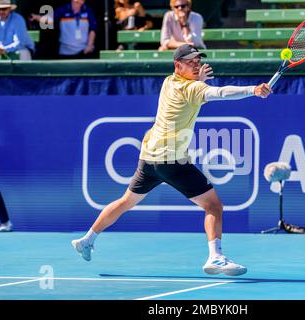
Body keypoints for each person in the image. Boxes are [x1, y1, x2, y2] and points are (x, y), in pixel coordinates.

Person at [71, 44, 271, 276]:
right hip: (170, 160)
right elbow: (220, 93)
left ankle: (87, 239)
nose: (196, 65)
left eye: (198, 61)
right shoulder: (193, 89)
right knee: (213, 205)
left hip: (149, 157)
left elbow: (196, 90)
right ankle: (215, 258)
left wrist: (199, 80)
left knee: (126, 201)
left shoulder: (169, 81)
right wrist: (253, 90)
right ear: (178, 65)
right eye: (191, 62)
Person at [30, 0, 97, 59]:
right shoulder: (63, 9)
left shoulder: (88, 10)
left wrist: (89, 45)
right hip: (65, 52)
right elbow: (49, 19)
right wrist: (36, 17)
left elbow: (93, 29)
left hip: (83, 51)